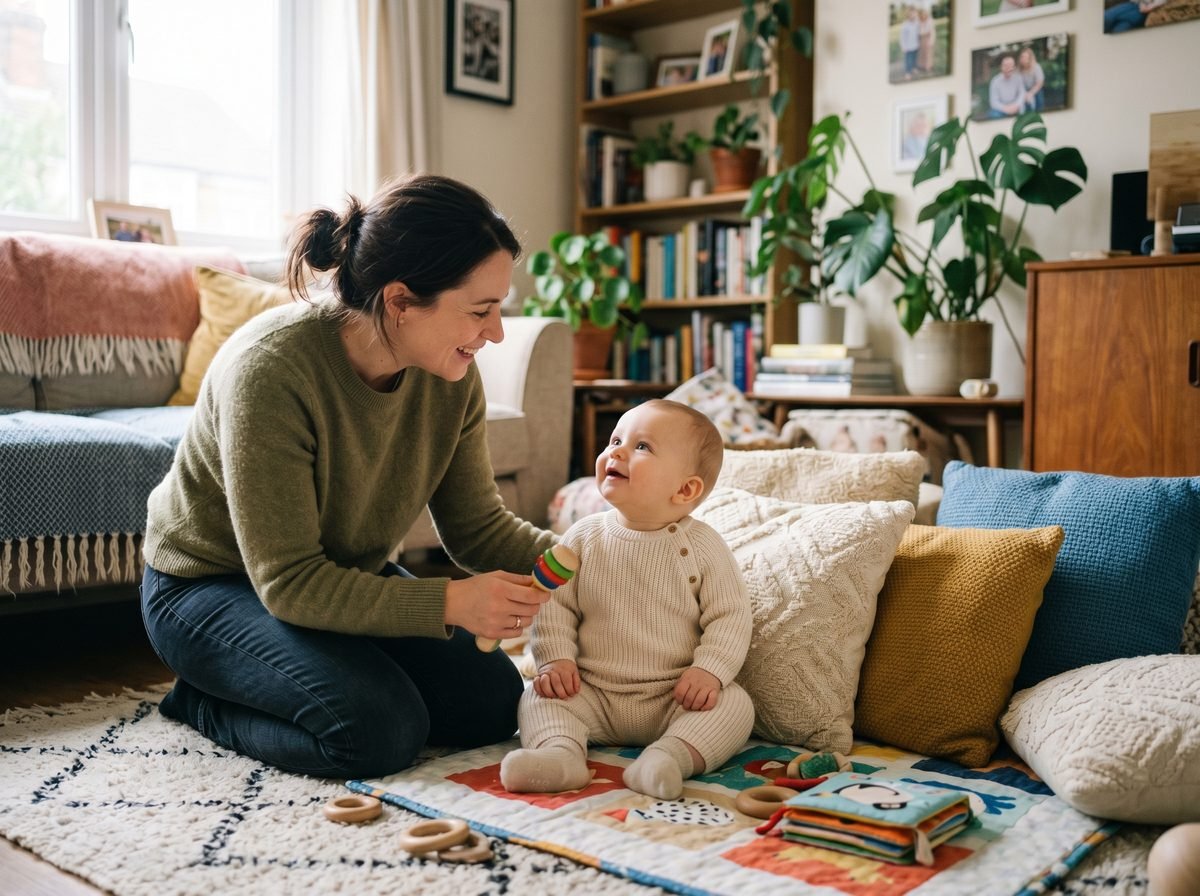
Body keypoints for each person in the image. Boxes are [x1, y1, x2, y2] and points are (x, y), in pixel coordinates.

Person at [140, 174, 558, 780]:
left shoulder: (451, 378)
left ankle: (312, 672)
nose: (495, 332)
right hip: (208, 588)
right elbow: (288, 582)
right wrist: (449, 601)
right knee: (375, 733)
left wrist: (595, 554)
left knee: (495, 705)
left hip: (332, 579)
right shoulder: (272, 371)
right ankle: (202, 700)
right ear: (399, 301)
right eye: (480, 310)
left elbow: (476, 528)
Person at [500, 399, 754, 801]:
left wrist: (710, 671)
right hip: (590, 691)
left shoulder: (704, 546)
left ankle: (667, 758)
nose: (614, 451)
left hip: (673, 697)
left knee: (736, 706)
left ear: (685, 489)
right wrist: (555, 659)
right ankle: (560, 756)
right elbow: (554, 605)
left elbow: (731, 617)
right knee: (537, 695)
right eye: (615, 439)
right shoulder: (582, 537)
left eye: (642, 447)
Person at [987, 53, 1025, 119]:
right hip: (1001, 108)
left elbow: (1022, 93)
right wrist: (1005, 108)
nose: (1008, 68)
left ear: (1014, 67)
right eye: (1005, 65)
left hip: (1016, 106)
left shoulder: (1018, 78)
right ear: (1001, 67)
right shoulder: (995, 81)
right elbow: (993, 102)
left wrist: (1016, 105)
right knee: (993, 115)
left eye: (1010, 65)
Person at [1017, 46, 1045, 112]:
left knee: (1038, 97)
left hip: (1035, 89)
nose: (1023, 59)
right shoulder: (1018, 70)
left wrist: (1031, 93)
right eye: (1022, 57)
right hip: (1023, 90)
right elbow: (1017, 84)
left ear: (1030, 58)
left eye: (1025, 57)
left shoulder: (1036, 67)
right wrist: (1024, 93)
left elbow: (1040, 83)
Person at [897, 6, 920, 80]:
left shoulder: (917, 23)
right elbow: (902, 37)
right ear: (908, 15)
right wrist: (903, 46)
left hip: (915, 44)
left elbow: (918, 33)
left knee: (914, 58)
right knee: (908, 60)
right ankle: (908, 72)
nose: (913, 16)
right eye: (911, 14)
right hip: (908, 46)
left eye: (914, 14)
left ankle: (914, 68)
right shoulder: (905, 25)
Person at [916, 7, 935, 75]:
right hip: (921, 38)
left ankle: (928, 67)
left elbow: (932, 32)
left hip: (927, 38)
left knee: (928, 53)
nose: (923, 15)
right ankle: (922, 66)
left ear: (926, 14)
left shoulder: (930, 20)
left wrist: (931, 41)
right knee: (922, 53)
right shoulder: (919, 21)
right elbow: (917, 31)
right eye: (922, 14)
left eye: (924, 14)